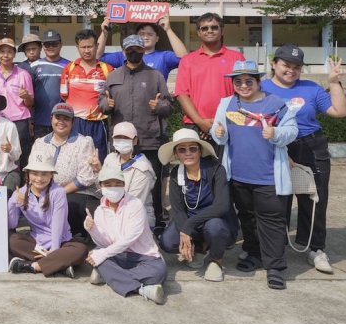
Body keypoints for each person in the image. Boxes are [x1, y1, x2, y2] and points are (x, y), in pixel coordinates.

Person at [262, 44, 346, 274]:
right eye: (285, 65)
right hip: (276, 146)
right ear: (274, 64)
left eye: (296, 67)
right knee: (276, 200)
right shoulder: (261, 88)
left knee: (314, 199)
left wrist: (333, 82)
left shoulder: (311, 88)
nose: (290, 70)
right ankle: (275, 246)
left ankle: (315, 248)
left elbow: (340, 112)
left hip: (311, 146)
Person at [213, 60, 300, 290]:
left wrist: (276, 132)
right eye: (238, 81)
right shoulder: (227, 103)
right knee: (247, 218)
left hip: (268, 177)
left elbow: (292, 131)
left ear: (258, 81)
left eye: (248, 81)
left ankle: (276, 268)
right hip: (239, 176)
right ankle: (254, 253)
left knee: (271, 221)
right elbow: (219, 133)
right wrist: (218, 132)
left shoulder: (276, 104)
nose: (243, 85)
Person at [100, 34, 172, 227]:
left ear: (143, 51)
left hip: (149, 139)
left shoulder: (155, 76)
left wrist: (160, 107)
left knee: (153, 184)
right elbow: (102, 102)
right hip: (121, 142)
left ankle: (157, 222)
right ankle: (121, 221)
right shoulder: (113, 76)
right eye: (129, 50)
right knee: (121, 182)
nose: (133, 53)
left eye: (137, 50)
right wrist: (106, 104)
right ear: (124, 51)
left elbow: (169, 106)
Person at [157, 128, 236, 283]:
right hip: (191, 221)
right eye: (182, 150)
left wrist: (187, 228)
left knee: (215, 228)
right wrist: (186, 234)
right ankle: (198, 247)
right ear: (176, 154)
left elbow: (222, 206)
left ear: (200, 151)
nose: (188, 153)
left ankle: (216, 260)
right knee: (167, 241)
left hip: (216, 219)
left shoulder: (216, 169)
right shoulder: (175, 175)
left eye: (193, 149)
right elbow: (178, 211)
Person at [85, 160, 168, 305]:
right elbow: (103, 242)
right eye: (108, 184)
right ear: (100, 187)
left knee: (159, 271)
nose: (113, 188)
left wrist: (103, 254)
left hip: (143, 256)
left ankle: (109, 277)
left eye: (118, 184)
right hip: (118, 254)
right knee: (95, 253)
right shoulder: (99, 210)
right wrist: (91, 229)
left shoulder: (135, 204)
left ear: (124, 185)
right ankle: (142, 290)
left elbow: (130, 238)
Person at [7, 150, 87, 277]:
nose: (39, 178)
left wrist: (54, 251)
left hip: (61, 242)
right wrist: (13, 203)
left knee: (81, 250)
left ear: (51, 175)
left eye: (44, 174)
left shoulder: (58, 192)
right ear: (27, 174)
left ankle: (33, 266)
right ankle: (59, 265)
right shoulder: (21, 192)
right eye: (35, 173)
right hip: (37, 244)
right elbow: (12, 224)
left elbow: (58, 224)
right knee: (12, 240)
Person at [28, 103, 98, 238]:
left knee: (68, 205)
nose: (61, 122)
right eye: (57, 117)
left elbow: (85, 178)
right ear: (51, 119)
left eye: (66, 119)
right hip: (44, 191)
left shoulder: (84, 142)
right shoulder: (40, 143)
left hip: (76, 193)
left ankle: (68, 237)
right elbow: (32, 171)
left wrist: (57, 194)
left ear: (73, 122)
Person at [175, 13, 246, 143]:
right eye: (204, 28)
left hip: (229, 124)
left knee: (228, 164)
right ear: (198, 32)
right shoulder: (187, 60)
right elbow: (182, 95)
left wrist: (222, 122)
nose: (209, 31)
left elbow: (245, 92)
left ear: (222, 30)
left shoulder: (237, 58)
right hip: (195, 125)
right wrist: (201, 122)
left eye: (214, 27)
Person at [60, 29, 113, 162]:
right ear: (77, 48)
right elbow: (63, 97)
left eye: (90, 46)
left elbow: (112, 97)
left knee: (99, 160)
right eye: (83, 47)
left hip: (99, 123)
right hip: (76, 122)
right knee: (74, 159)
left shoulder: (107, 69)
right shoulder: (69, 69)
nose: (87, 50)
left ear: (96, 46)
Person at [0, 38, 34, 166]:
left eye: (9, 52)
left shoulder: (23, 74)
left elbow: (30, 103)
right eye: (2, 52)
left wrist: (26, 96)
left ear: (14, 54)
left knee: (20, 156)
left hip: (19, 122)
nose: (5, 55)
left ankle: (20, 184)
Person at [97, 16, 188, 78]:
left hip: (155, 105)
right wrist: (105, 32)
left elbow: (185, 58)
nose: (145, 37)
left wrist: (168, 29)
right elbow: (97, 56)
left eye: (150, 34)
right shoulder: (125, 55)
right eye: (142, 34)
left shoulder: (164, 57)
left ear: (157, 39)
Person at [105, 122, 157, 228]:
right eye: (118, 137)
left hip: (137, 219)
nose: (122, 140)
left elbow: (133, 203)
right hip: (112, 214)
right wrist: (97, 170)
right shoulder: (110, 158)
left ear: (135, 140)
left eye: (126, 138)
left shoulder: (143, 168)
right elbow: (101, 190)